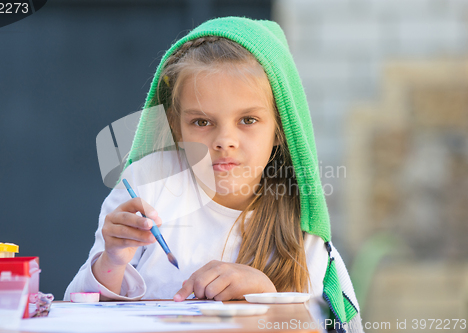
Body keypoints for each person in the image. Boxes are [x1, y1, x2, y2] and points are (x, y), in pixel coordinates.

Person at [65, 16, 363, 333]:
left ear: (280, 128)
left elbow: (325, 326)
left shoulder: (298, 220)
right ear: (175, 126)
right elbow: (78, 311)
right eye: (202, 122)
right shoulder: (147, 185)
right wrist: (112, 260)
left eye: (248, 120)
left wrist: (266, 297)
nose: (224, 140)